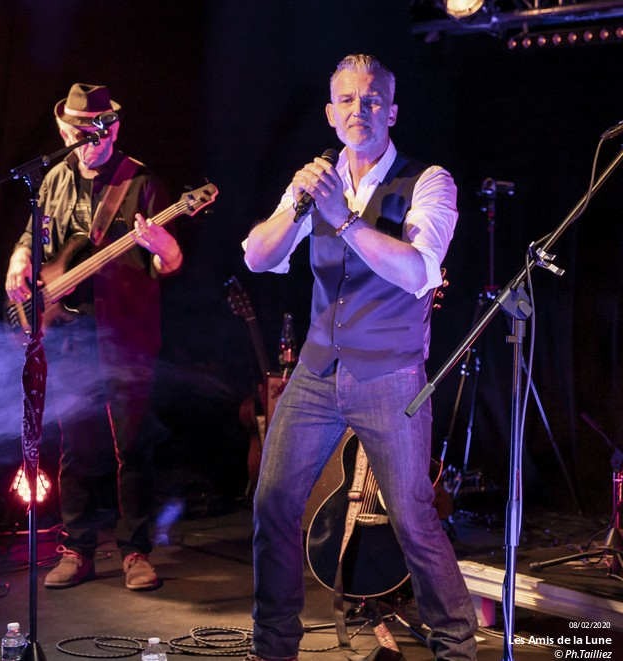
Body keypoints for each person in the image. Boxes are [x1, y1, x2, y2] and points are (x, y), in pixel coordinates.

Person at [242, 54, 478, 660]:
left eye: (371, 100)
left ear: (391, 111)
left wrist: (343, 221)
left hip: (391, 375)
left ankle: (456, 647)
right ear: (330, 113)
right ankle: (273, 646)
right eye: (346, 100)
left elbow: (420, 272)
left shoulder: (429, 181)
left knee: (413, 518)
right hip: (318, 371)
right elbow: (258, 258)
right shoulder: (317, 179)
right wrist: (298, 202)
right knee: (273, 503)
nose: (359, 110)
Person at [4, 83, 183, 591]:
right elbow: (33, 239)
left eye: (98, 133)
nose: (89, 143)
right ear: (64, 132)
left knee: (133, 443)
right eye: (78, 134)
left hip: (126, 331)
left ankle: (135, 550)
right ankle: (77, 547)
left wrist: (165, 247)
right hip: (67, 331)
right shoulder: (53, 179)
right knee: (76, 444)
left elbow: (169, 263)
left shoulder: (140, 182)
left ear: (115, 128)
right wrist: (19, 259)